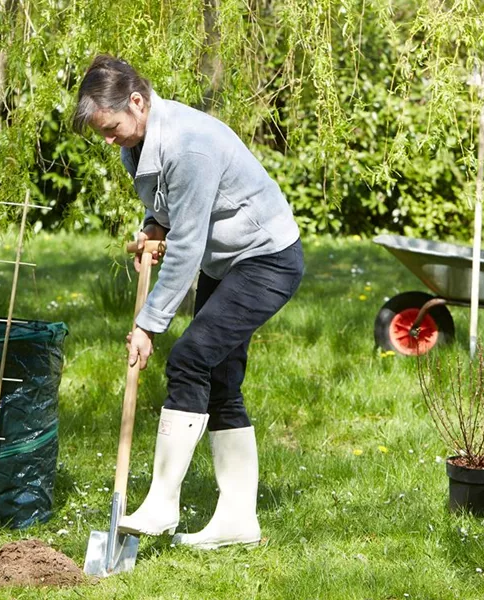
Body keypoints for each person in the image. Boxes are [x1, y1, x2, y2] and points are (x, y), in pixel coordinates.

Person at [72, 54, 303, 549]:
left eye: (111, 128)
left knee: (190, 359)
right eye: (102, 134)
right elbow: (170, 210)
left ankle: (161, 502)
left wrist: (148, 324)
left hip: (267, 259)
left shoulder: (189, 144)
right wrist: (153, 226)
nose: (109, 140)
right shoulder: (138, 139)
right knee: (220, 377)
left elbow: (189, 246)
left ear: (137, 102)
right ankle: (238, 521)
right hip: (230, 260)